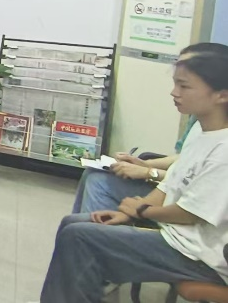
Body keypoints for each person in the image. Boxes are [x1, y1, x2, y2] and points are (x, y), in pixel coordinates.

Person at [40, 53, 228, 301]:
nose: (174, 92)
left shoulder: (224, 150)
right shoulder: (202, 132)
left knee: (80, 238)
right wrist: (129, 213)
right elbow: (170, 184)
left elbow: (190, 213)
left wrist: (142, 211)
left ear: (222, 95)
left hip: (199, 257)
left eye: (184, 86)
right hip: (178, 236)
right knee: (72, 224)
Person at [72, 42, 228, 213]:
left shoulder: (219, 136)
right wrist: (145, 164)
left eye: (184, 85)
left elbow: (193, 193)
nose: (174, 92)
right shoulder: (200, 123)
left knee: (99, 183)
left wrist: (148, 174)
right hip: (172, 192)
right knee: (93, 175)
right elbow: (185, 161)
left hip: (181, 210)